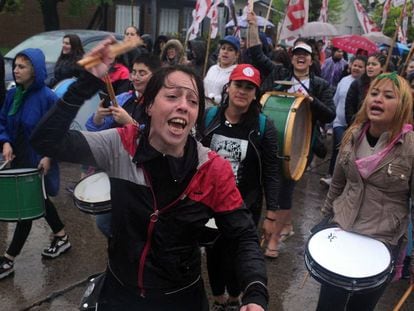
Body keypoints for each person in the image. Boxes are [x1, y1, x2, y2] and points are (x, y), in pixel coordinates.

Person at [30, 37, 268, 311]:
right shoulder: (120, 144)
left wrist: (256, 294)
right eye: (172, 96)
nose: (183, 105)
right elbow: (45, 142)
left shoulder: (213, 169)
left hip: (181, 299)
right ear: (149, 106)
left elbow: (242, 235)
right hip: (119, 294)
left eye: (193, 101)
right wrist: (84, 84)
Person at [315, 72, 414, 311]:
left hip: (381, 242)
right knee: (328, 305)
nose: (378, 99)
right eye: (374, 93)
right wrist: (322, 221)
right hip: (343, 232)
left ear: (402, 105)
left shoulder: (410, 146)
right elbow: (337, 184)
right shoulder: (352, 134)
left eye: (388, 95)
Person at [246, 11, 335, 258]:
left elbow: (329, 115)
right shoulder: (279, 74)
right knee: (262, 187)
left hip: (300, 146)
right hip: (270, 142)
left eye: (304, 54)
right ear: (291, 57)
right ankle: (256, 234)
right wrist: (252, 25)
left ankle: (273, 240)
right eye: (296, 53)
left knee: (285, 191)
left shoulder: (320, 85)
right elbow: (255, 53)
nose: (300, 58)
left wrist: (312, 101)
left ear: (312, 59)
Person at [201, 64, 280, 311]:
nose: (242, 91)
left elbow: (272, 172)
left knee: (238, 253)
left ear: (255, 93)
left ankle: (234, 297)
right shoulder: (209, 117)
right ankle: (218, 298)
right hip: (210, 204)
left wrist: (271, 215)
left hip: (244, 205)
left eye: (249, 87)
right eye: (238, 85)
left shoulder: (264, 127)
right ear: (228, 87)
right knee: (213, 252)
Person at [0, 48, 70, 280]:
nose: (16, 70)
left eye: (22, 66)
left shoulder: (48, 98)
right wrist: (6, 142)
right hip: (18, 158)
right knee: (39, 199)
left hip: (38, 160)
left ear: (35, 70)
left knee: (25, 208)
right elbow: (3, 121)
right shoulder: (13, 94)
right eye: (15, 66)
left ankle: (8, 260)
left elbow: (61, 131)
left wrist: (49, 155)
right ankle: (61, 237)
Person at [85, 54, 161, 238]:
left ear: (156, 76)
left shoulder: (161, 102)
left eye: (142, 73)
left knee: (135, 223)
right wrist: (98, 116)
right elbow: (92, 127)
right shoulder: (123, 98)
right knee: (105, 221)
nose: (135, 77)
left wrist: (130, 123)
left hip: (143, 174)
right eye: (134, 72)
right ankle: (121, 255)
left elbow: (157, 138)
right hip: (116, 167)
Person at [320, 55, 367, 187]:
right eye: (355, 65)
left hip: (355, 124)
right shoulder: (344, 81)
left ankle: (346, 177)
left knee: (352, 151)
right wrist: (330, 120)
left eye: (360, 66)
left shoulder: (365, 85)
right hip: (339, 122)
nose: (356, 68)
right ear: (350, 65)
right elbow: (335, 100)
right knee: (339, 147)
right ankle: (332, 175)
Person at [345, 52, 386, 125]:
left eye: (374, 64)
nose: (370, 67)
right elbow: (349, 107)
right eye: (368, 64)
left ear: (382, 67)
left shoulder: (387, 86)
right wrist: (353, 124)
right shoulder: (357, 84)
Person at [204, 35, 240, 106]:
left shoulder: (236, 73)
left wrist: (215, 99)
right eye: (223, 48)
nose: (225, 52)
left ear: (236, 55)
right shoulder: (212, 69)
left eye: (230, 50)